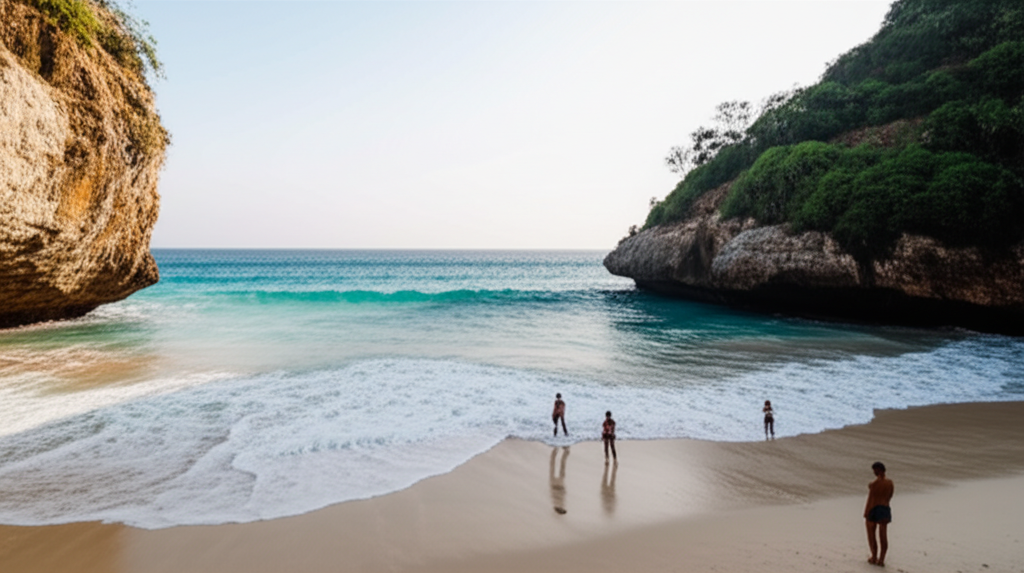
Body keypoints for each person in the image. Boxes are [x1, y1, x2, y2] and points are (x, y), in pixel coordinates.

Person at [864, 461, 894, 567]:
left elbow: (871, 499)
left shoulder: (874, 484)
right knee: (883, 535)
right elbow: (890, 496)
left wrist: (866, 512)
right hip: (885, 509)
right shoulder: (890, 483)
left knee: (872, 534)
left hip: (874, 509)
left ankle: (874, 556)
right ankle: (881, 560)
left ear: (878, 470)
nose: (874, 472)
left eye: (874, 470)